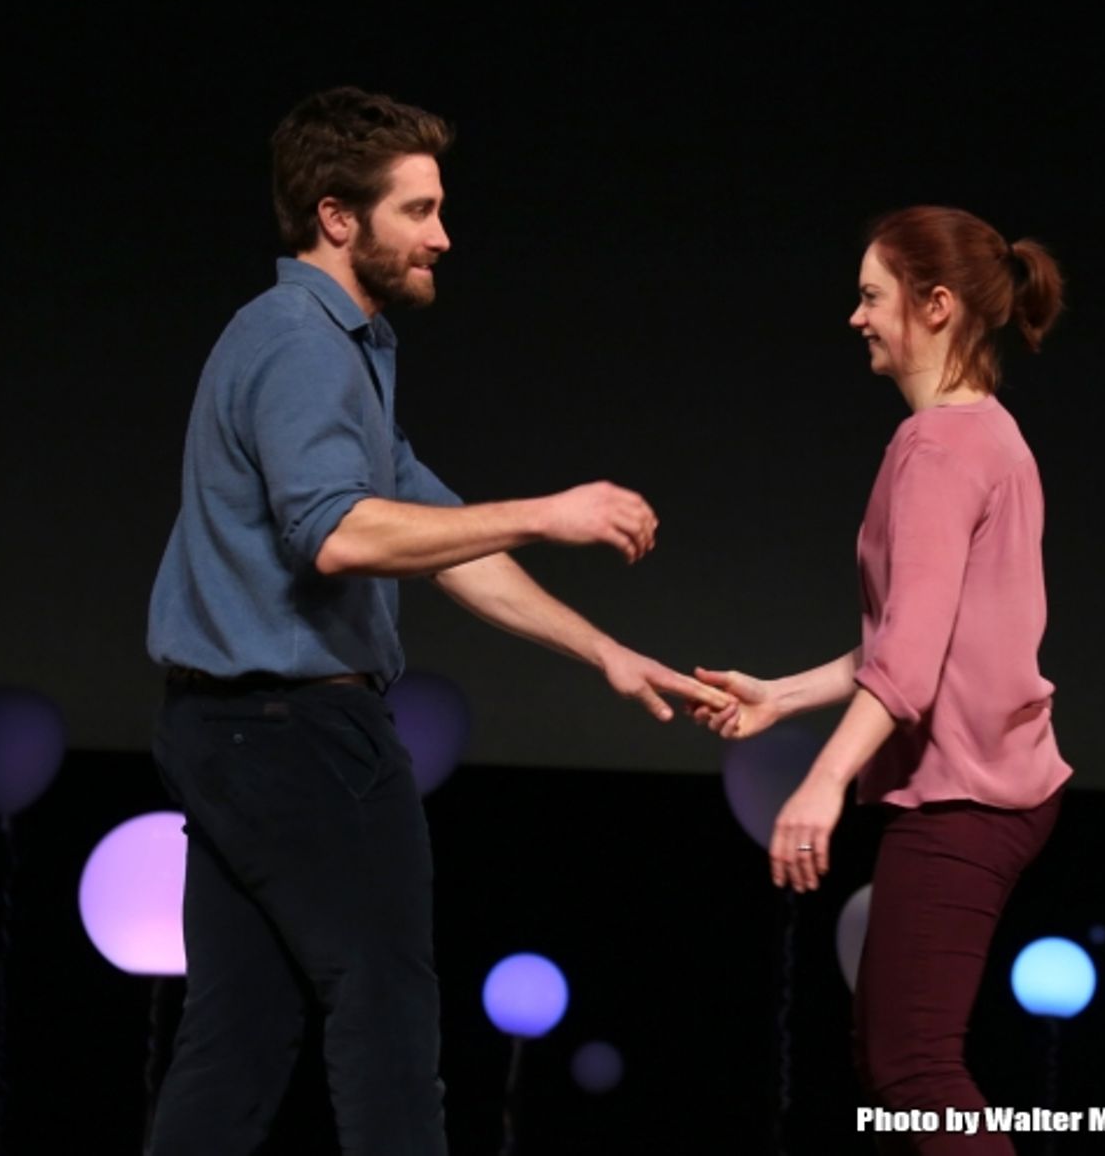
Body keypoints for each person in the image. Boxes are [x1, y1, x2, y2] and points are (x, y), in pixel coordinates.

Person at [145, 86, 727, 1156]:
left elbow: (444, 537)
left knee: (235, 1046)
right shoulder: (302, 344)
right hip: (300, 739)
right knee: (387, 1025)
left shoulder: (338, 347)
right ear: (336, 217)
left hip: (230, 736)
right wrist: (549, 512)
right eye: (418, 210)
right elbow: (338, 534)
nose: (443, 235)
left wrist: (603, 651)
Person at [692, 206, 1072, 1154]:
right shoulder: (989, 434)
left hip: (966, 800)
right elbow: (925, 635)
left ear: (935, 305)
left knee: (915, 1073)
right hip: (990, 790)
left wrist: (822, 781)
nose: (856, 317)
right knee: (896, 1065)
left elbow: (911, 657)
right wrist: (781, 695)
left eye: (872, 296)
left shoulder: (936, 449)